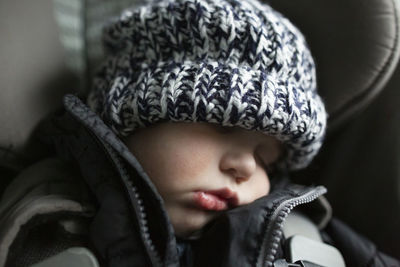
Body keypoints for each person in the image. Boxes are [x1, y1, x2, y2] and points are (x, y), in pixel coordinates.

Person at [0, 0, 399, 266]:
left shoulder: (302, 229)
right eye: (223, 125)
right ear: (133, 116)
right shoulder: (45, 217)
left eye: (266, 159)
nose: (245, 167)